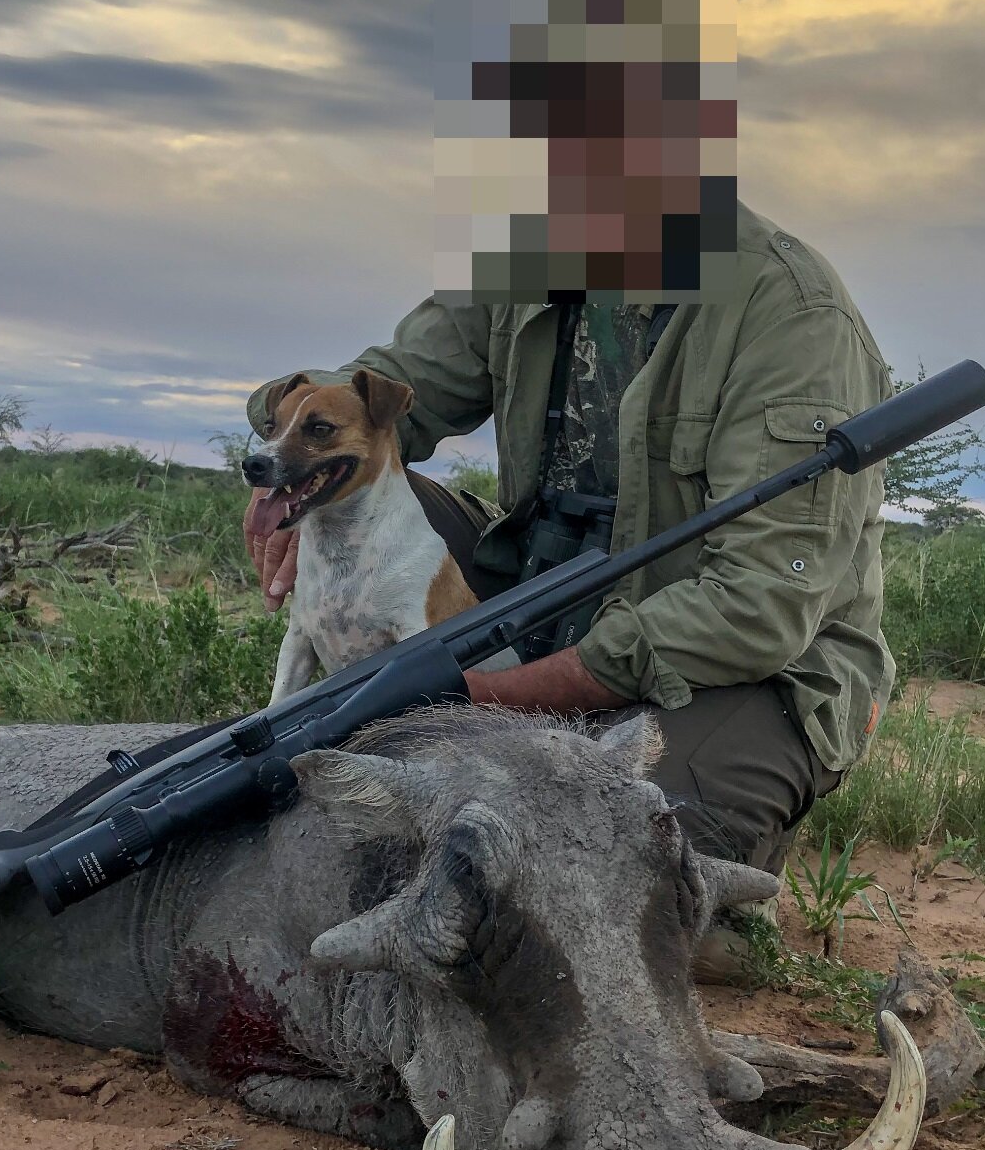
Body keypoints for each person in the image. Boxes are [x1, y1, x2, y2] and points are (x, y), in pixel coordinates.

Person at [244, 198, 894, 976]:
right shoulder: (541, 251)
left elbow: (759, 605)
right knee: (368, 489)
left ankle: (720, 889)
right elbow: (384, 391)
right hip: (536, 598)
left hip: (738, 664)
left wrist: (484, 699)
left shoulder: (792, 310)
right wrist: (293, 468)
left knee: (604, 882)